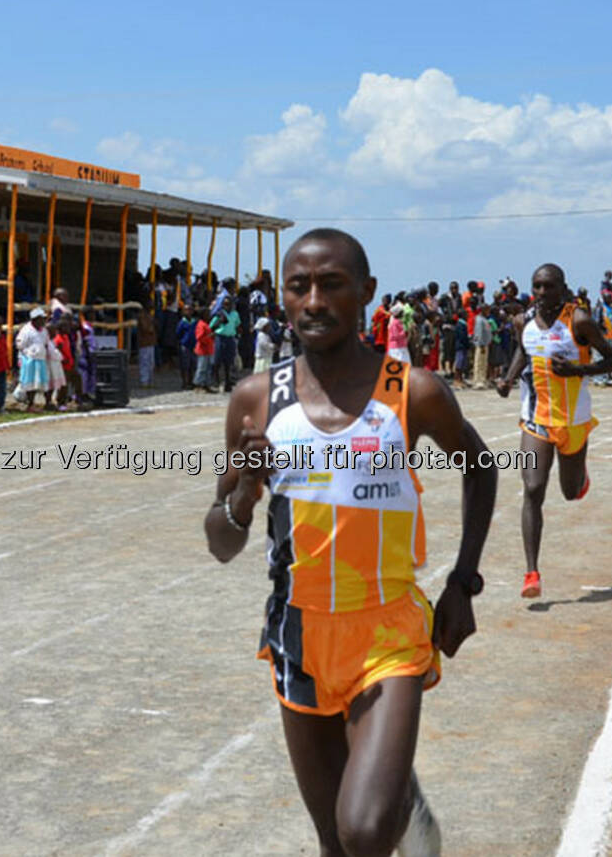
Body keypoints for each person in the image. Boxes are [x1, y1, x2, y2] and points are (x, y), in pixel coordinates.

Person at [204, 228, 497, 857]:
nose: (313, 300)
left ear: (365, 293)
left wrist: (462, 582)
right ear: (281, 297)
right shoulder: (256, 402)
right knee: (334, 843)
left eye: (331, 285)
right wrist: (245, 490)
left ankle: (394, 805)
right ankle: (402, 800)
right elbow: (221, 542)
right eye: (299, 286)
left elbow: (481, 467)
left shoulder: (411, 393)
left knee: (363, 831)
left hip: (387, 632)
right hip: (298, 633)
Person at [497, 263, 612, 598]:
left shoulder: (578, 321)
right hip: (536, 419)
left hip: (573, 421)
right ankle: (531, 572)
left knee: (569, 491)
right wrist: (508, 379)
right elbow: (523, 351)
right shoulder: (523, 321)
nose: (541, 293)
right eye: (536, 286)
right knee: (533, 488)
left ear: (563, 289)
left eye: (548, 287)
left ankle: (581, 476)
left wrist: (579, 369)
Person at [14, 308, 52, 412]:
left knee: (38, 382)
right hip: (29, 360)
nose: (44, 321)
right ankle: (29, 404)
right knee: (29, 383)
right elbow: (20, 344)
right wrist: (28, 353)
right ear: (35, 319)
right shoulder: (26, 330)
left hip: (40, 359)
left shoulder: (44, 331)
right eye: (41, 319)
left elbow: (46, 342)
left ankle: (38, 403)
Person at [211, 295, 241, 392]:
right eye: (225, 304)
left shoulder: (235, 314)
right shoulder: (219, 313)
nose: (226, 305)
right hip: (220, 337)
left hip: (230, 338)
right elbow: (211, 326)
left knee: (229, 362)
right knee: (217, 360)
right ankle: (216, 381)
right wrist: (219, 320)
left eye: (228, 303)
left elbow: (237, 324)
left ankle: (228, 382)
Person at [470, 304, 493, 389]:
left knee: (484, 363)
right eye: (487, 310)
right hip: (481, 345)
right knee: (479, 363)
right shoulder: (479, 320)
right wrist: (481, 344)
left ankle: (482, 380)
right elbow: (479, 333)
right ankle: (477, 381)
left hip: (485, 344)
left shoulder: (484, 319)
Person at [193, 310, 216, 392]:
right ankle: (198, 384)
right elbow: (199, 337)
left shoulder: (206, 324)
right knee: (201, 368)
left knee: (208, 368)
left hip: (209, 349)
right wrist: (210, 336)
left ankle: (206, 384)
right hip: (203, 350)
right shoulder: (201, 324)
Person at [136, 303, 157, 388]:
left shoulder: (149, 315)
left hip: (151, 342)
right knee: (144, 362)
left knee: (151, 363)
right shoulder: (142, 316)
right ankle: (144, 381)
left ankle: (150, 381)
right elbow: (146, 328)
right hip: (144, 342)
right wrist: (152, 326)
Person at [176, 305, 197, 391]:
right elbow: (178, 334)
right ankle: (184, 382)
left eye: (190, 310)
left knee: (192, 365)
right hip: (185, 346)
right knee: (185, 365)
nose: (188, 312)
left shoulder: (194, 322)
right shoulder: (182, 323)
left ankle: (191, 382)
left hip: (194, 346)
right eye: (186, 310)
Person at [252, 306, 275, 374]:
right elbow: (265, 345)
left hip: (267, 357)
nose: (269, 327)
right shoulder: (261, 335)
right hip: (263, 359)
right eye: (268, 326)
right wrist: (273, 346)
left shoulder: (266, 335)